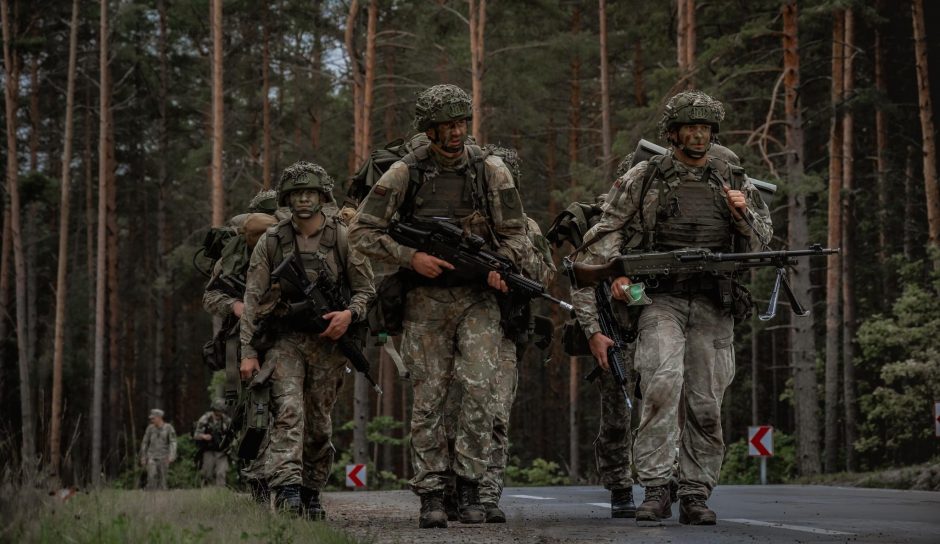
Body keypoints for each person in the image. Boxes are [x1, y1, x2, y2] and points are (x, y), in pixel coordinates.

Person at [571, 90, 772, 526]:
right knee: (662, 387)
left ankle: (696, 493)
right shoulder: (645, 175)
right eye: (690, 128)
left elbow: (760, 244)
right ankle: (657, 489)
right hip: (659, 299)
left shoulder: (732, 176)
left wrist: (742, 214)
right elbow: (607, 229)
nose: (698, 135)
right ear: (674, 133)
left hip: (713, 302)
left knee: (706, 403)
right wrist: (614, 273)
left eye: (705, 128)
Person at [349, 84, 529, 528]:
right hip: (425, 301)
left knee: (479, 389)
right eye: (447, 125)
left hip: (478, 299)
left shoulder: (491, 171)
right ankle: (432, 492)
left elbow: (518, 234)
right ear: (428, 130)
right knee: (429, 398)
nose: (456, 131)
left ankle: (470, 487)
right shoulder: (404, 174)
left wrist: (502, 265)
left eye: (461, 122)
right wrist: (411, 258)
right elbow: (361, 233)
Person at [239, 161, 375, 519]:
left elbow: (365, 289)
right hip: (285, 340)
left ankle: (311, 489)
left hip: (328, 344)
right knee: (287, 412)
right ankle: (286, 490)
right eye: (296, 193)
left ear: (322, 196)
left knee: (318, 424)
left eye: (310, 193)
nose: (303, 200)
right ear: (286, 198)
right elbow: (252, 299)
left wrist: (349, 315)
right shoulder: (272, 240)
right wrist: (248, 352)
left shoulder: (341, 236)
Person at [193, 399, 232, 487]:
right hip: (208, 450)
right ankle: (207, 493)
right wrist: (204, 436)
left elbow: (233, 435)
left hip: (222, 451)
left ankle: (220, 494)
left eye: (221, 411)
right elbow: (196, 435)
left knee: (221, 473)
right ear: (214, 410)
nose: (220, 413)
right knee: (207, 473)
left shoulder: (226, 420)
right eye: (218, 411)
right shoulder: (205, 419)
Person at [139, 408, 177, 490]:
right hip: (152, 456)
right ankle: (150, 495)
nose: (152, 420)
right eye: (151, 419)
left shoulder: (168, 428)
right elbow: (145, 442)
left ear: (159, 417)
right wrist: (143, 456)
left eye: (153, 418)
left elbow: (173, 442)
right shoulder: (150, 428)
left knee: (163, 482)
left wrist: (172, 456)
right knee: (151, 477)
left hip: (164, 456)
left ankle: (162, 499)